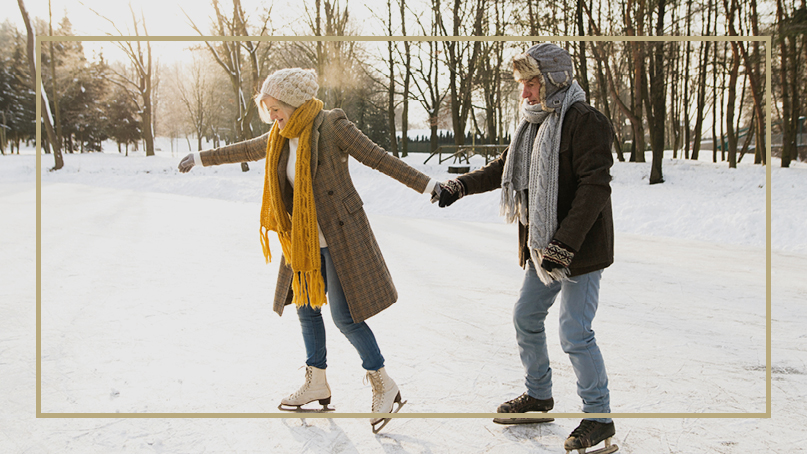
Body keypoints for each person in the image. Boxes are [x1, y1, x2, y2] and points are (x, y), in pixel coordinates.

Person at [178, 68, 438, 434]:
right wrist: (201, 157)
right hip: (301, 240)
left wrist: (428, 185)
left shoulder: (331, 125)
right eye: (267, 109)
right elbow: (246, 148)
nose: (271, 116)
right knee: (304, 306)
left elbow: (378, 157)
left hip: (340, 236)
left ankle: (383, 382)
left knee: (345, 317)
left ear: (290, 101)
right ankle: (317, 381)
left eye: (273, 108)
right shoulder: (279, 136)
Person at [434, 43, 617, 453]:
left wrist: (564, 245)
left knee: (575, 332)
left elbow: (594, 188)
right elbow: (505, 166)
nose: (524, 93)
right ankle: (539, 396)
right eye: (522, 84)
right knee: (526, 317)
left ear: (552, 80)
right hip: (541, 247)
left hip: (579, 249)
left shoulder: (585, 121)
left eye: (530, 83)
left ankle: (599, 417)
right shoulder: (533, 123)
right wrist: (461, 185)